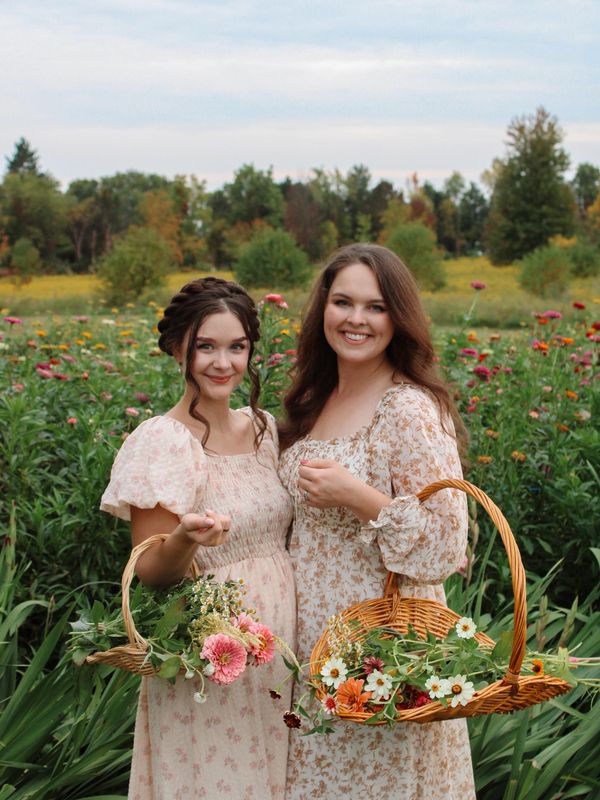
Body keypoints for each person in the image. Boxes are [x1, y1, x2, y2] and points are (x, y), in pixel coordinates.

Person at [278, 244, 475, 799]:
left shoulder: (407, 408)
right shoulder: (315, 398)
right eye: (343, 302)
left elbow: (444, 546)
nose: (356, 319)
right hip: (310, 639)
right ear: (323, 309)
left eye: (376, 306)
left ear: (399, 318)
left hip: (380, 646)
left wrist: (359, 497)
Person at [100, 277, 296, 800]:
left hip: (283, 649)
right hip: (212, 651)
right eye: (205, 346)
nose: (222, 362)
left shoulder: (264, 428)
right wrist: (186, 538)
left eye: (237, 347)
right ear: (175, 348)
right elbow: (151, 573)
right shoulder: (162, 440)